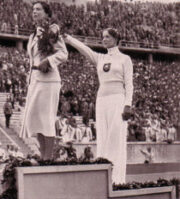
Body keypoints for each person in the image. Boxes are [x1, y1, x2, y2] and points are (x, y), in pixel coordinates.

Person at [64, 28, 133, 184]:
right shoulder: (100, 58)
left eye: (108, 37)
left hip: (118, 100)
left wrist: (128, 104)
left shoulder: (125, 59)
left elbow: (129, 84)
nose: (104, 39)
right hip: (101, 100)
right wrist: (68, 38)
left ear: (116, 39)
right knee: (102, 137)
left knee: (116, 138)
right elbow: (84, 49)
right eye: (103, 37)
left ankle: (117, 180)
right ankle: (104, 178)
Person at [19, 1, 68, 160]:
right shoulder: (33, 35)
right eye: (33, 9)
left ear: (47, 13)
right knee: (33, 119)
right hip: (35, 79)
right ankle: (43, 153)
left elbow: (63, 54)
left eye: (38, 9)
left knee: (46, 119)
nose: (35, 12)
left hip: (49, 81)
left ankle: (47, 157)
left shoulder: (52, 31)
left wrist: (49, 61)